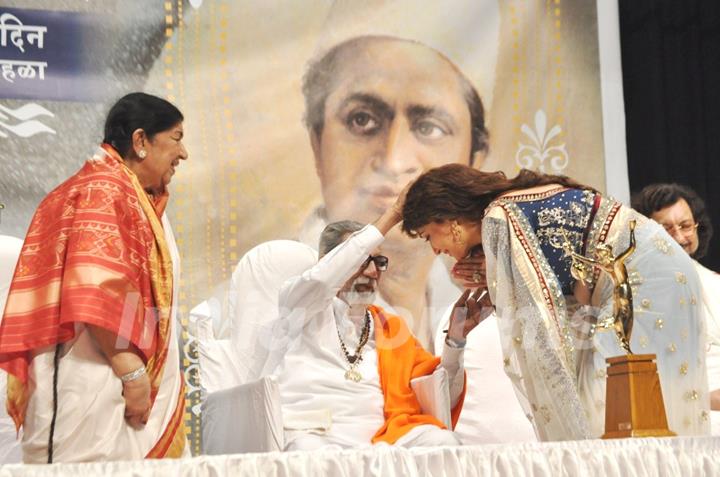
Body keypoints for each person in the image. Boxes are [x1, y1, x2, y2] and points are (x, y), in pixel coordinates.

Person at [402, 164, 710, 440]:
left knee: (608, 409)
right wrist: (497, 272)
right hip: (661, 274)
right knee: (640, 409)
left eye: (428, 236)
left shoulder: (499, 215)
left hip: (641, 284)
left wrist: (499, 281)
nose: (435, 250)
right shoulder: (513, 203)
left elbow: (540, 322)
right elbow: (578, 291)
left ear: (446, 219)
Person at [0, 92, 189, 462]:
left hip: (108, 381)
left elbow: (128, 293)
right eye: (177, 138)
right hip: (90, 379)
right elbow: (97, 290)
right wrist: (132, 372)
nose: (184, 154)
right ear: (140, 141)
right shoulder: (102, 190)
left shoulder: (129, 194)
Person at [298, 34, 490, 346]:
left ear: (474, 160)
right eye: (362, 120)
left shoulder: (485, 308)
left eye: (429, 127)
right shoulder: (281, 292)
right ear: (316, 144)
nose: (393, 160)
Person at [274, 199, 489, 450]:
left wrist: (455, 341)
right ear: (329, 262)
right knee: (309, 452)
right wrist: (393, 215)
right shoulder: (300, 307)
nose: (372, 272)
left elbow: (439, 399)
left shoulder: (390, 327)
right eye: (361, 261)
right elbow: (321, 281)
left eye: (377, 262)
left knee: (441, 442)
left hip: (384, 440)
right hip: (315, 436)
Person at [632, 183, 720, 434]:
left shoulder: (715, 283)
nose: (680, 238)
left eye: (685, 226)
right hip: (674, 415)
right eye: (666, 229)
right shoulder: (634, 292)